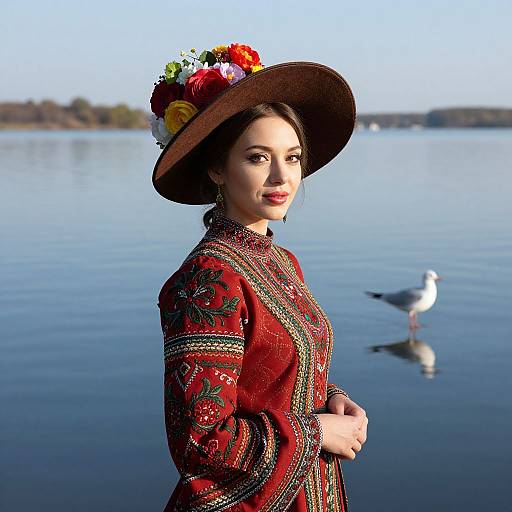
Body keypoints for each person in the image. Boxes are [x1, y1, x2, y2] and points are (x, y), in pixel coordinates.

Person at [151, 43, 368, 511]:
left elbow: (267, 374)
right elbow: (200, 441)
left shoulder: (281, 262)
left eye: (291, 157)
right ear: (217, 169)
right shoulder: (209, 279)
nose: (280, 177)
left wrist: (332, 399)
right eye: (257, 157)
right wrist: (316, 432)